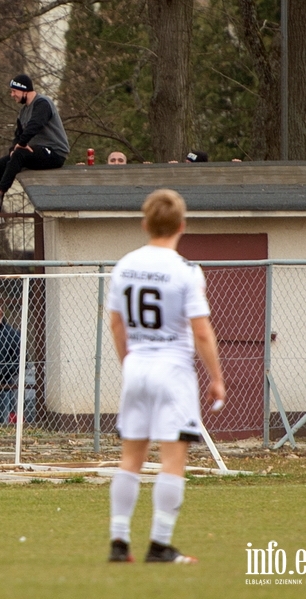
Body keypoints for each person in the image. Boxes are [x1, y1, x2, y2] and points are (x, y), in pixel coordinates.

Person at [105, 188, 225, 564]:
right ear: (181, 226)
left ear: (145, 224)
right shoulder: (186, 270)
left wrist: (129, 362)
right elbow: (202, 331)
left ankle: (119, 542)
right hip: (172, 370)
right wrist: (216, 378)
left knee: (131, 458)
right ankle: (159, 545)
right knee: (173, 459)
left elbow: (115, 323)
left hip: (137, 366)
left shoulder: (124, 265)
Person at [0, 74, 70, 229]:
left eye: (14, 91)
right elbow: (18, 136)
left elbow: (35, 125)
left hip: (54, 153)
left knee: (20, 153)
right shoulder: (22, 113)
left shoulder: (42, 103)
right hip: (34, 151)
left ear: (24, 90)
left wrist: (20, 145)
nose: (12, 95)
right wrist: (14, 149)